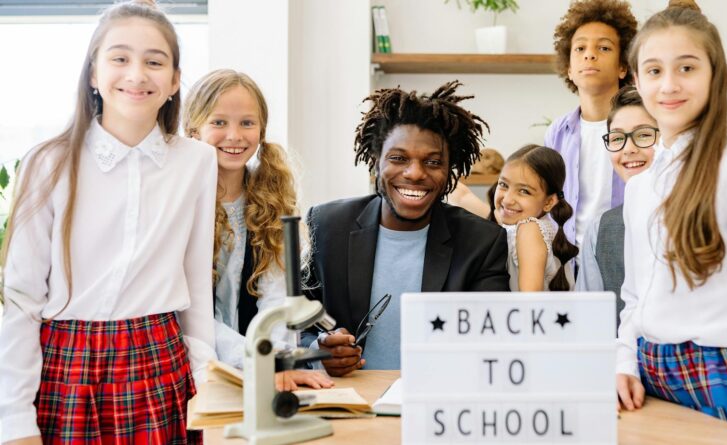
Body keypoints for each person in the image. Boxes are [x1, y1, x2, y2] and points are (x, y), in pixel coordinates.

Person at [0, 1, 216, 443]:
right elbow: (21, 299)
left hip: (161, 365)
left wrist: (207, 385)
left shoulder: (197, 161)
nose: (137, 74)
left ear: (175, 81)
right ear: (94, 74)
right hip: (68, 369)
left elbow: (196, 286)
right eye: (119, 58)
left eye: (154, 62)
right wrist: (14, 421)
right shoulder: (49, 162)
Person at [614, 2, 727, 443]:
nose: (670, 84)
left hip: (718, 376)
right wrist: (623, 361)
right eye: (654, 70)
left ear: (715, 74)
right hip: (648, 376)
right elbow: (634, 296)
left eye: (687, 67)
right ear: (637, 80)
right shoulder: (640, 185)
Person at [303, 81, 510, 376]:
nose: (414, 173)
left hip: (438, 406)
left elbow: (493, 344)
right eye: (398, 158)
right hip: (349, 406)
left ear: (450, 170)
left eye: (433, 162)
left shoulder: (482, 242)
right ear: (375, 162)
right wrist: (317, 351)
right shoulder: (326, 226)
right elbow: (290, 326)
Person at [183, 69, 333, 391]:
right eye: (219, 122)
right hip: (194, 363)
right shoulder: (181, 202)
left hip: (258, 367)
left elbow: (277, 300)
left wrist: (275, 364)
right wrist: (254, 362)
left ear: (262, 130)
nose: (235, 136)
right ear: (194, 130)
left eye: (247, 123)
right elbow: (190, 312)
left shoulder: (271, 202)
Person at [546, 0, 638, 252]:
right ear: (569, 69)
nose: (589, 54)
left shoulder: (643, 128)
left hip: (625, 256)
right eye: (580, 48)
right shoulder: (557, 132)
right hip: (568, 261)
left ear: (623, 67)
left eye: (604, 47)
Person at [575, 85, 658, 326]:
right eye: (617, 138)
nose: (629, 149)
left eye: (643, 135)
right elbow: (588, 324)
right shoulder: (601, 228)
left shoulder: (705, 213)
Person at [494, 145, 578, 291]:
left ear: (549, 202)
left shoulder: (529, 229)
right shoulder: (529, 224)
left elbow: (530, 304)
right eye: (503, 184)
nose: (507, 200)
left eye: (524, 191)